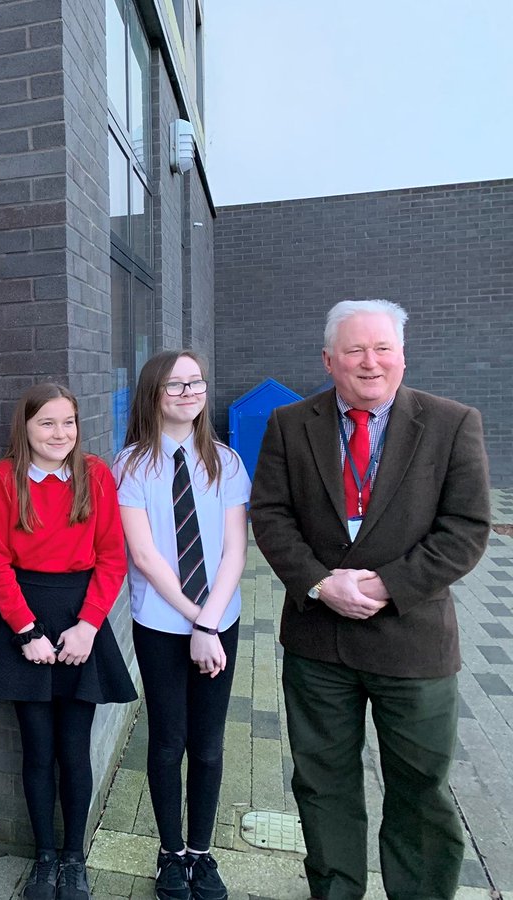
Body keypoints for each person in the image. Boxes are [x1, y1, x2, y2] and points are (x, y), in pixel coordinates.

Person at [251, 299, 490, 900]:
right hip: (319, 641)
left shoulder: (452, 423)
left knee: (420, 789)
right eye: (354, 349)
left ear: (402, 355)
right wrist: (319, 582)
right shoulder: (289, 423)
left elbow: (465, 529)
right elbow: (271, 514)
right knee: (321, 782)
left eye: (382, 348)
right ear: (328, 360)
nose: (370, 361)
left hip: (412, 643)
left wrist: (387, 585)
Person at [0, 382, 136, 900]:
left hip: (80, 619)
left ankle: (74, 858)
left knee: (74, 749)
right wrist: (26, 632)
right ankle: (44, 857)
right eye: (47, 422)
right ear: (25, 427)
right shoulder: (5, 478)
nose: (59, 433)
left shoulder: (95, 474)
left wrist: (89, 626)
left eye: (68, 422)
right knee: (37, 749)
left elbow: (112, 558)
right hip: (25, 621)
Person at [113, 351, 250, 900]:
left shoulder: (227, 463)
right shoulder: (130, 466)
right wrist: (198, 622)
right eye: (175, 384)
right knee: (168, 742)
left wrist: (210, 623)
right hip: (160, 625)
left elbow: (236, 550)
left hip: (219, 620)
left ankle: (201, 853)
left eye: (196, 382)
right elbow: (145, 556)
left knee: (209, 745)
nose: (189, 392)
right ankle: (170, 854)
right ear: (153, 393)